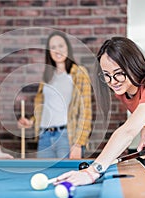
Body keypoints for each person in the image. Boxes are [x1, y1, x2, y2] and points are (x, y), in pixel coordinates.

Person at [54, 37, 145, 198]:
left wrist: (93, 171)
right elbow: (144, 111)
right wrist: (144, 136)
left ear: (133, 65)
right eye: (106, 75)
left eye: (118, 74)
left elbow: (128, 131)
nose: (112, 81)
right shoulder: (123, 89)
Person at [18, 31, 92, 159]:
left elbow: (86, 111)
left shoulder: (79, 73)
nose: (57, 50)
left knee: (66, 177)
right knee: (45, 178)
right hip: (44, 136)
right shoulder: (47, 77)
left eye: (61, 46)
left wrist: (79, 144)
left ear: (67, 47)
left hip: (66, 137)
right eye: (53, 47)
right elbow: (45, 107)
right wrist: (30, 121)